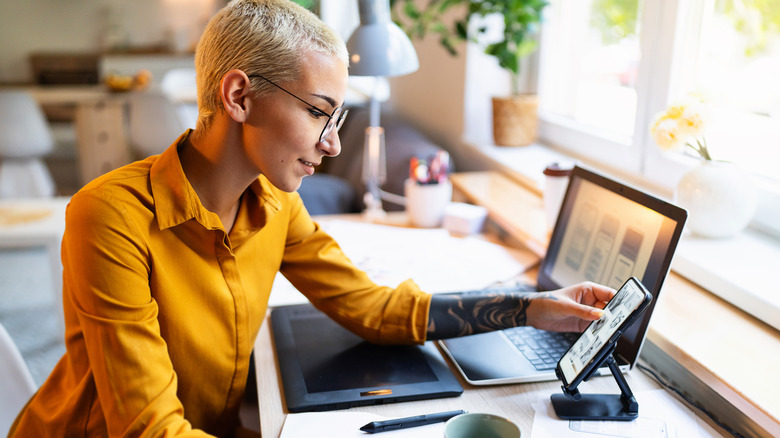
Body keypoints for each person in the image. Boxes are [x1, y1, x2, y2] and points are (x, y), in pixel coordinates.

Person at [9, 1, 614, 436]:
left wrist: (531, 308)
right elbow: (148, 428)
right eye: (320, 114)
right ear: (239, 97)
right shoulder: (109, 216)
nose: (331, 144)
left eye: (337, 120)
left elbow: (373, 310)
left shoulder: (274, 203)